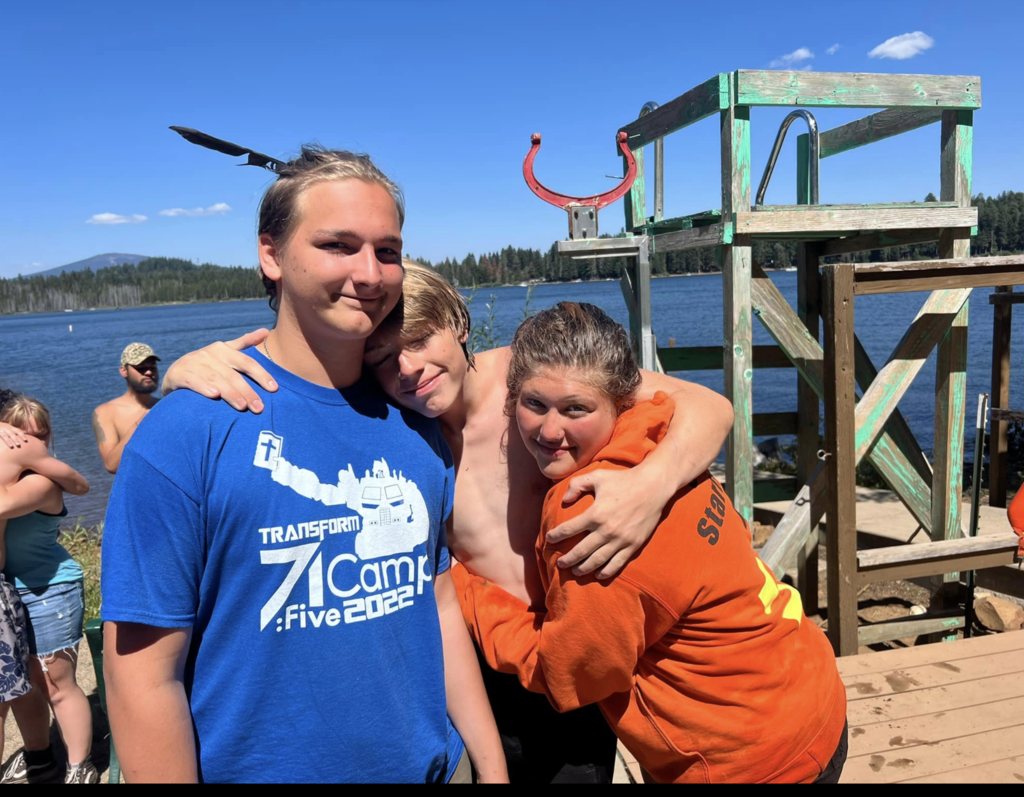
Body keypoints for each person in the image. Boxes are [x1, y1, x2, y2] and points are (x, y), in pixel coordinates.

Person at [161, 262, 735, 782]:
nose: (407, 368)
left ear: (458, 323)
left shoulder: (533, 381)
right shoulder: (388, 426)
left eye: (418, 340)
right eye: (381, 358)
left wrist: (650, 487)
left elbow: (709, 407)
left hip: (573, 644)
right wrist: (185, 374)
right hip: (480, 664)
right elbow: (294, 392)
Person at [100, 147, 507, 783]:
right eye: (338, 245)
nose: (369, 273)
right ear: (271, 255)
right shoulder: (186, 432)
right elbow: (141, 677)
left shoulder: (414, 423)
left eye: (387, 251)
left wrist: (490, 764)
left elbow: (437, 602)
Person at [453, 301, 848, 784]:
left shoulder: (590, 514)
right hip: (809, 687)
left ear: (620, 401)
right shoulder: (662, 434)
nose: (551, 430)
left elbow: (569, 675)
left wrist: (463, 588)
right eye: (535, 405)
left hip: (749, 759)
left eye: (575, 409)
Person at [0, 395, 96, 784]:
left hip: (48, 589)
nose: (34, 443)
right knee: (24, 687)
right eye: (23, 435)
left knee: (56, 684)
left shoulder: (41, 482)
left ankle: (79, 766)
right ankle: (39, 757)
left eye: (41, 435)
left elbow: (81, 484)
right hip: (11, 590)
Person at [91, 344, 161, 474]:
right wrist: (140, 423)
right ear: (124, 371)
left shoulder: (165, 406)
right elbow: (111, 465)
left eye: (152, 367)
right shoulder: (105, 412)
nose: (149, 372)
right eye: (141, 368)